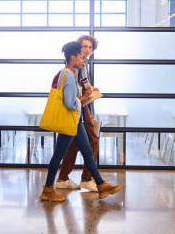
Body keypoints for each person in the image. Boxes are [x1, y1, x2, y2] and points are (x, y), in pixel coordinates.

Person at [40, 41, 121, 201]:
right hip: (70, 122)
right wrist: (85, 97)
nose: (82, 59)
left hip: (76, 122)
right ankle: (48, 190)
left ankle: (101, 185)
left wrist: (86, 96)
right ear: (72, 57)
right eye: (79, 56)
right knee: (58, 156)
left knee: (88, 153)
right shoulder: (69, 76)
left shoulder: (70, 73)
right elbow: (70, 103)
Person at [56, 35, 100, 191]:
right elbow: (73, 87)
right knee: (92, 140)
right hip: (78, 105)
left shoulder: (84, 63)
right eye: (84, 46)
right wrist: (86, 94)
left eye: (90, 47)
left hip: (81, 105)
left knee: (73, 145)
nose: (87, 50)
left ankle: (62, 178)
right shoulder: (74, 64)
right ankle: (87, 179)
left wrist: (91, 88)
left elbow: (83, 82)